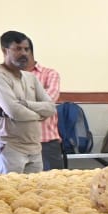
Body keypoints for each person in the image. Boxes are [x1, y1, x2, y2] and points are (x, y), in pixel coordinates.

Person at [0, 30, 58, 174]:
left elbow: (51, 108)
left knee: (35, 192)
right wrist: (40, 115)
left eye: (26, 49)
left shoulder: (30, 78)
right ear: (5, 50)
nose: (24, 53)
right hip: (9, 147)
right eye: (18, 49)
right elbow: (15, 112)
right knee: (11, 193)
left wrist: (27, 104)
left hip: (35, 147)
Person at [24, 40, 64, 170]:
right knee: (19, 187)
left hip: (46, 142)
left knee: (54, 186)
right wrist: (37, 105)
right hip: (18, 144)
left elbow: (48, 104)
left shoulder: (50, 74)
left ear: (28, 51)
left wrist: (21, 106)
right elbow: (8, 106)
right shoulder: (9, 77)